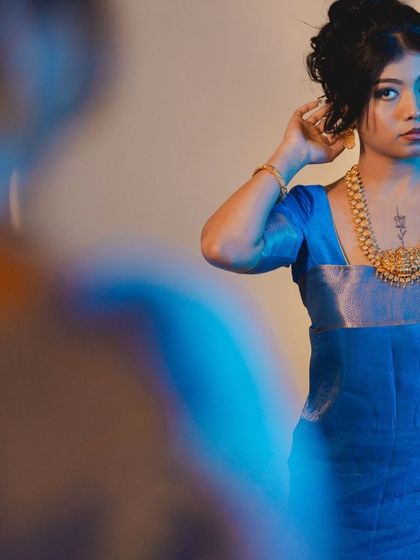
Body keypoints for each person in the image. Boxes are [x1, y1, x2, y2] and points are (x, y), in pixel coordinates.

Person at [201, 0, 420, 557]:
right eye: (387, 92)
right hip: (335, 505)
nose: (413, 109)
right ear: (350, 102)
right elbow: (224, 245)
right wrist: (290, 155)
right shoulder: (309, 214)